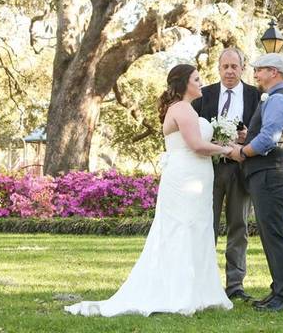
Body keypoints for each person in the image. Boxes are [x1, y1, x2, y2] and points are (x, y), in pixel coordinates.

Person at [65, 64, 235, 317]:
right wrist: (228, 150)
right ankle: (180, 293)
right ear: (184, 84)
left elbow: (197, 143)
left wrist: (223, 143)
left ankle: (199, 291)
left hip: (193, 176)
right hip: (186, 177)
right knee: (183, 229)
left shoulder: (182, 109)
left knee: (195, 228)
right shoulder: (182, 109)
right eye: (197, 79)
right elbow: (197, 145)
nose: (201, 83)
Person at [228, 52, 283, 312]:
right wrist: (248, 136)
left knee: (275, 235)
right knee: (270, 235)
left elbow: (270, 138)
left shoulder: (278, 99)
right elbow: (264, 133)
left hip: (272, 174)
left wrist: (242, 152)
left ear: (274, 72)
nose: (255, 74)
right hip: (267, 174)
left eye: (260, 70)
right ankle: (279, 290)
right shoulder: (272, 98)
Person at [192, 46, 260, 302]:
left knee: (238, 227)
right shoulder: (204, 94)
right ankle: (204, 282)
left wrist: (247, 137)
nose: (230, 71)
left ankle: (235, 285)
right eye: (225, 67)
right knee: (205, 225)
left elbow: (262, 133)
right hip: (208, 169)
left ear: (242, 68)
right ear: (219, 69)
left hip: (241, 169)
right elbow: (193, 130)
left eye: (234, 66)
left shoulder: (255, 95)